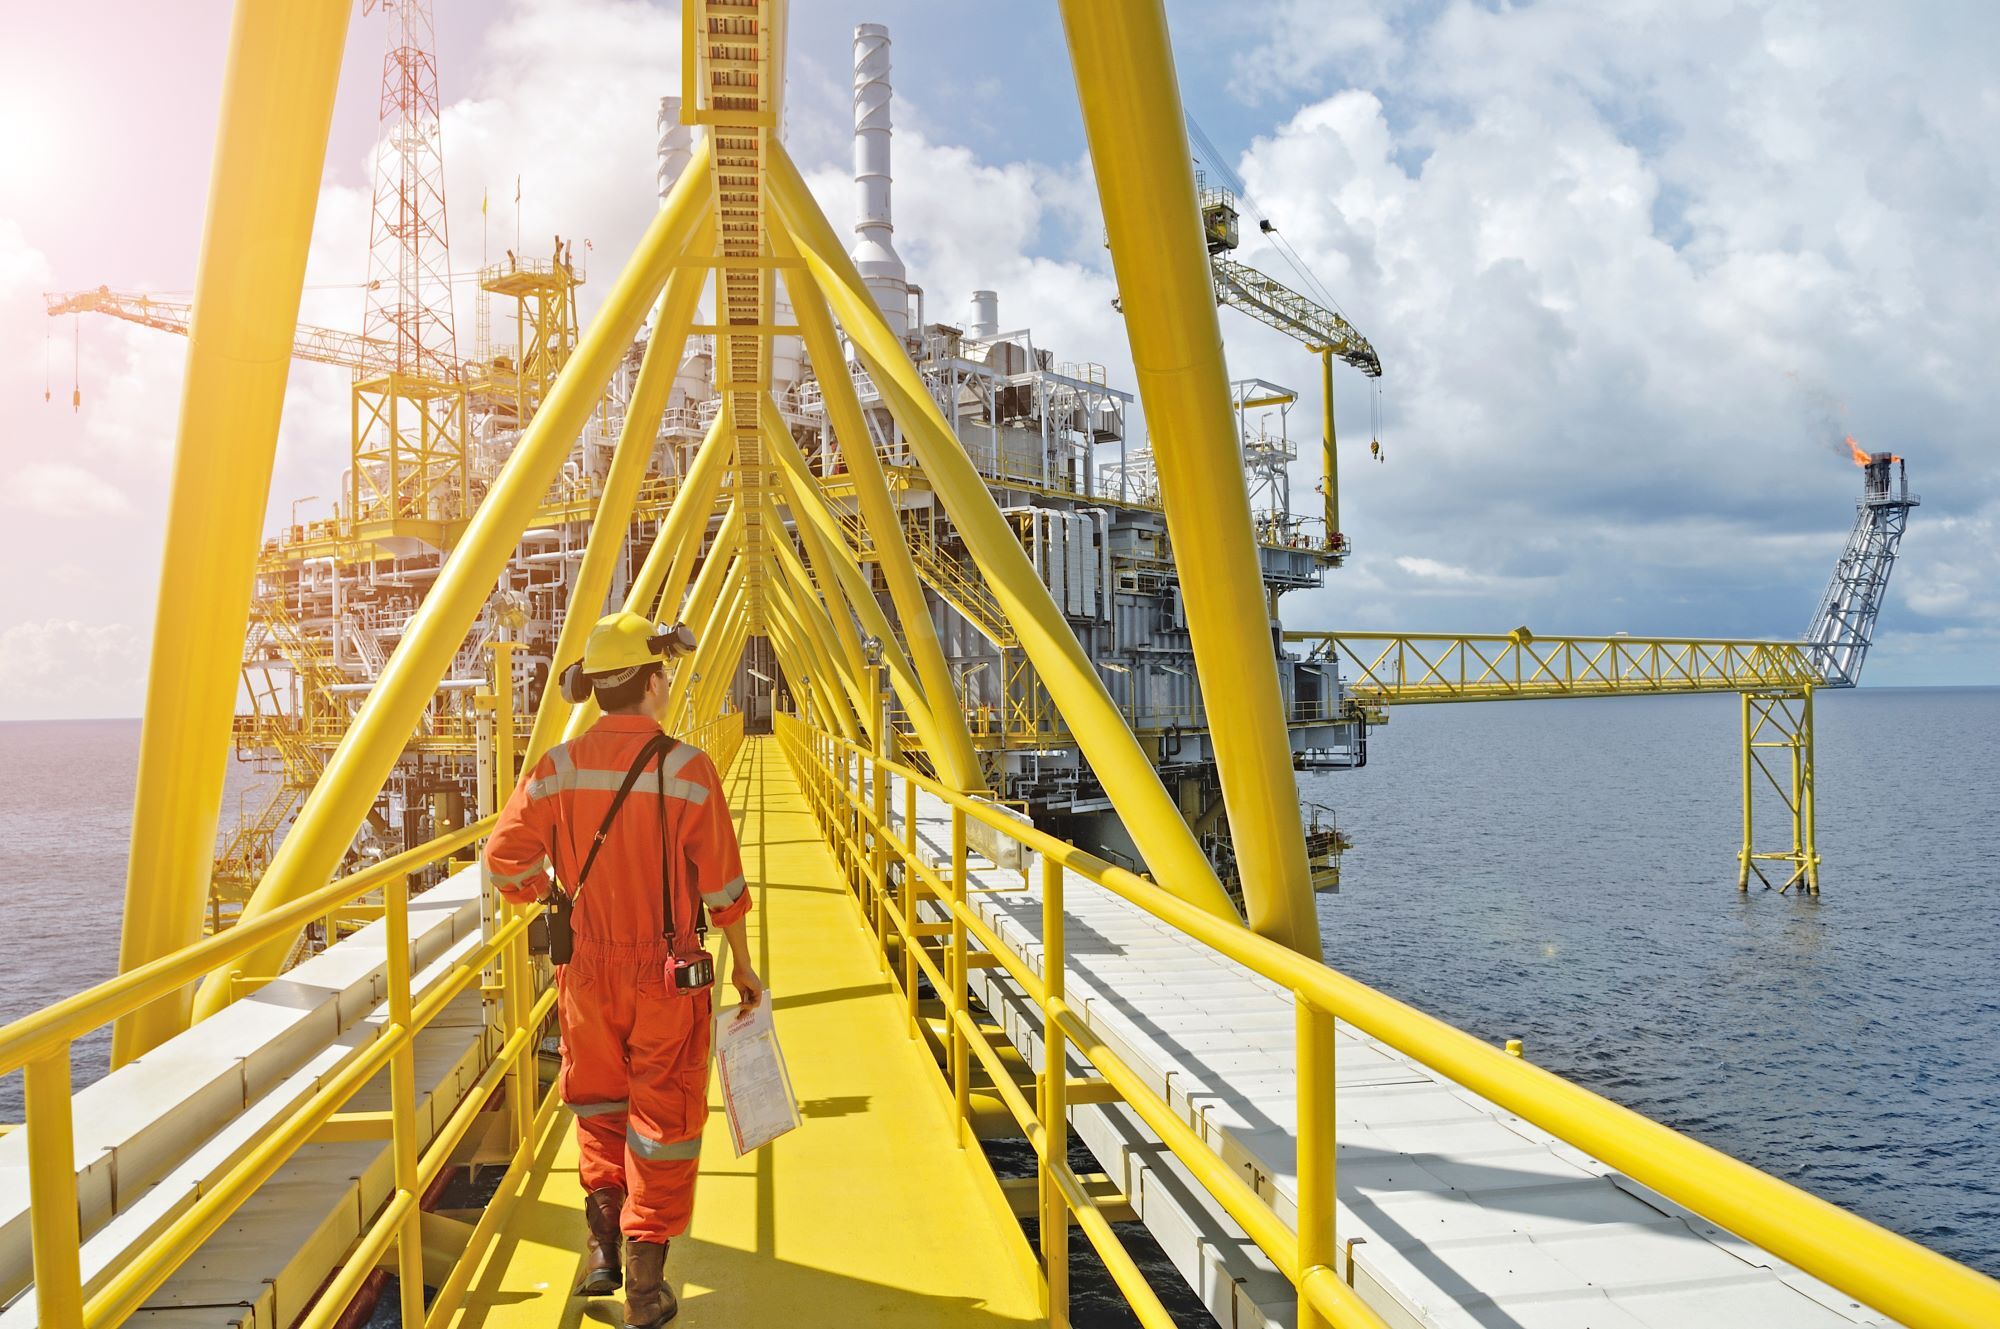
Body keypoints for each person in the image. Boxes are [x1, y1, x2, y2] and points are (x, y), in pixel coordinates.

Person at [483, 610, 763, 1328]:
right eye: (662, 672)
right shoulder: (689, 769)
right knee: (661, 1121)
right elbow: (723, 888)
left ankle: (600, 1247)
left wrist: (547, 897)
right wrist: (745, 970)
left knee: (600, 1107)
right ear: (652, 681)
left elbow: (503, 859)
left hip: (585, 970)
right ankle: (644, 1285)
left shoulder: (557, 766)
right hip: (667, 973)